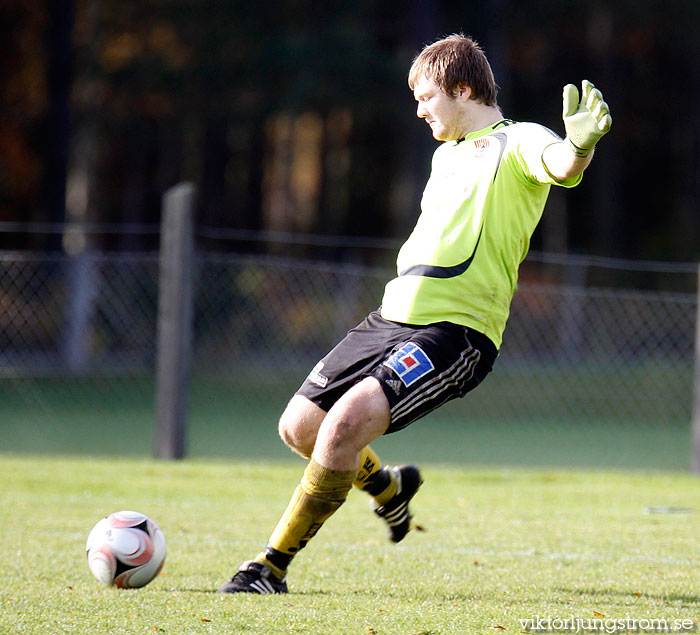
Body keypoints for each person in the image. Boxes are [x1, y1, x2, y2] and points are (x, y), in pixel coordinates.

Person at [217, 33, 611, 594]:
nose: (420, 109)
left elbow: (561, 162)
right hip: (390, 317)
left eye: (427, 97)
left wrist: (581, 145)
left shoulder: (519, 139)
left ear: (463, 89)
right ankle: (389, 490)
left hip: (456, 333)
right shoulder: (443, 153)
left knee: (344, 428)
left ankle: (268, 567)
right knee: (299, 427)